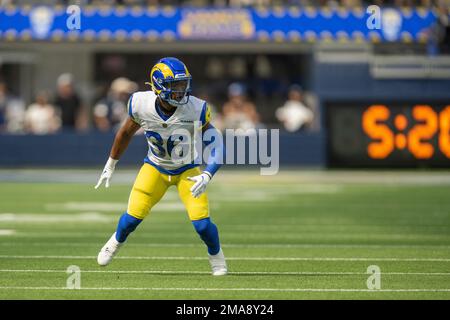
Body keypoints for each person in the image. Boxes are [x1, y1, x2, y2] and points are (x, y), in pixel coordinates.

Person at [95, 57, 227, 276]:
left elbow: (217, 144)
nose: (182, 90)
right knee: (131, 219)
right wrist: (111, 163)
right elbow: (125, 132)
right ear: (159, 86)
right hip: (155, 167)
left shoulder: (196, 108)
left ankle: (217, 257)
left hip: (188, 170)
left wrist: (207, 174)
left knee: (202, 225)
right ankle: (114, 242)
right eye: (176, 86)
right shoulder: (140, 104)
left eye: (184, 84)